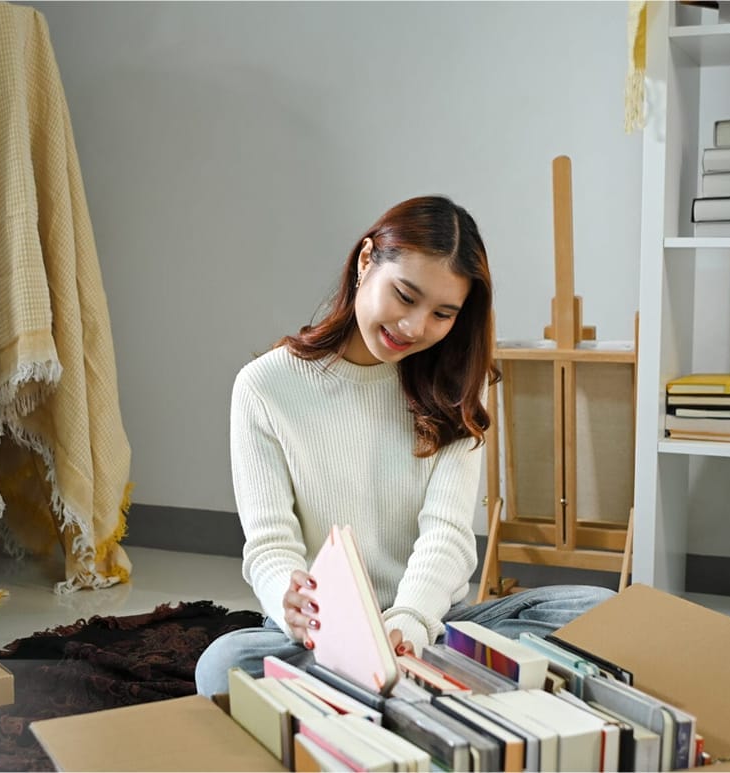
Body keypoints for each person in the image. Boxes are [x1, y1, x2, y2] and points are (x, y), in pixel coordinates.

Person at [194, 196, 613, 696]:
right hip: (322, 638)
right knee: (223, 666)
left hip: (430, 622)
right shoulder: (264, 387)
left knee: (598, 610)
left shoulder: (457, 383)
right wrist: (292, 601)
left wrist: (411, 621)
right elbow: (269, 544)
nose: (415, 328)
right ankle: (427, 690)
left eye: (442, 313)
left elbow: (448, 534)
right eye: (405, 296)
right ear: (366, 260)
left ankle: (375, 692)